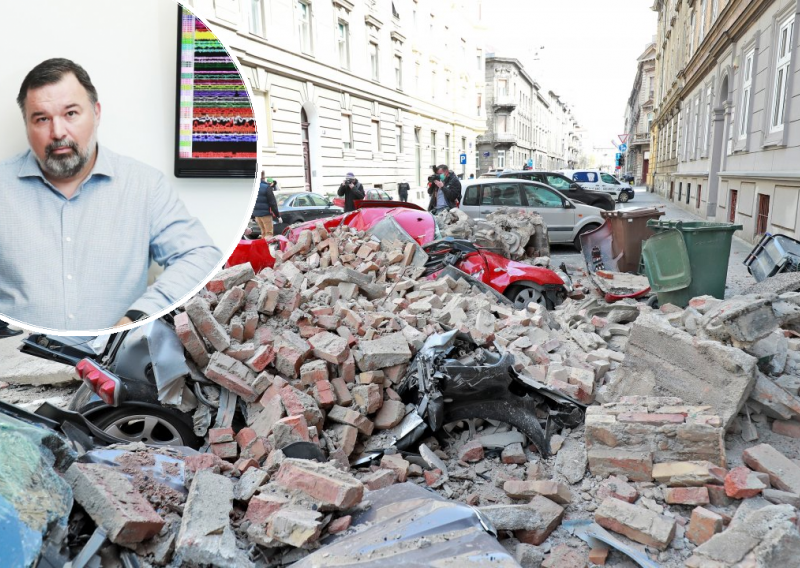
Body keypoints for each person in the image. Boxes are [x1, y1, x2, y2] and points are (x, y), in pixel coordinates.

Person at [0, 58, 222, 331]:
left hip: (116, 364)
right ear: (26, 124)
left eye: (71, 114)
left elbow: (200, 256)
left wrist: (140, 316)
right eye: (42, 119)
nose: (58, 132)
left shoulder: (145, 186)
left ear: (96, 113)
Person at [253, 172, 281, 238]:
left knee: (263, 233)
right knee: (269, 233)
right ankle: (267, 247)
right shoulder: (266, 187)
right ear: (263, 177)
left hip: (257, 215)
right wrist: (278, 216)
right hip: (266, 214)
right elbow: (273, 203)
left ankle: (262, 247)